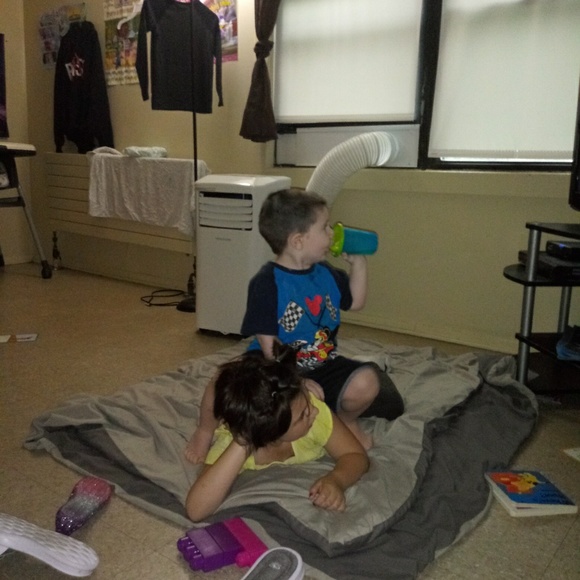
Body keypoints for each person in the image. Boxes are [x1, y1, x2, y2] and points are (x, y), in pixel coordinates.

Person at [185, 187, 404, 463]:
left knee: (367, 382)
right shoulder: (268, 283)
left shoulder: (326, 273)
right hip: (272, 365)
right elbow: (268, 345)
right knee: (221, 380)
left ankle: (345, 421)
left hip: (321, 360)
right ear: (298, 241)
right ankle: (205, 429)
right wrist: (296, 382)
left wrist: (359, 264)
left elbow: (356, 302)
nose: (332, 233)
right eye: (324, 227)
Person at [185, 344, 370, 522]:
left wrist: (337, 479)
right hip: (250, 420)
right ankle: (204, 429)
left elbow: (355, 455)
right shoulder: (237, 440)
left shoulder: (315, 410)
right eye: (302, 416)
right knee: (221, 381)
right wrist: (243, 445)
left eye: (307, 402)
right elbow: (196, 510)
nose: (313, 411)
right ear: (270, 432)